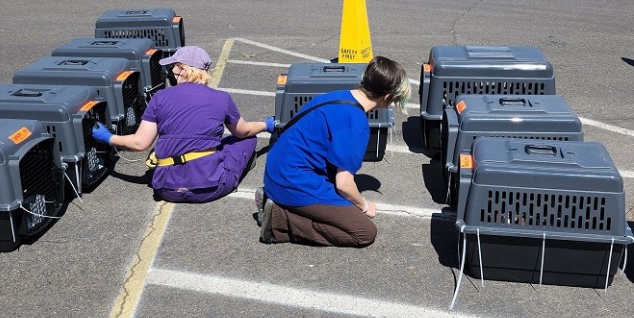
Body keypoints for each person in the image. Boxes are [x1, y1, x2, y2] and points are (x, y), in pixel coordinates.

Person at [257, 55, 411, 247]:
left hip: (276, 170)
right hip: (292, 181)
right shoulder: (356, 121)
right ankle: (279, 220)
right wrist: (364, 205)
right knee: (364, 232)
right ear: (387, 97)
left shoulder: (338, 95)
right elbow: (344, 184)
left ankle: (279, 203)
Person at [92, 45, 275, 203]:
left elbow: (140, 143)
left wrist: (109, 138)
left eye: (173, 67)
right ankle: (234, 172)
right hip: (211, 188)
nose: (171, 72)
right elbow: (243, 131)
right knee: (247, 140)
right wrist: (267, 124)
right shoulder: (222, 98)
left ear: (184, 69)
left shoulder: (160, 98)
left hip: (166, 190)